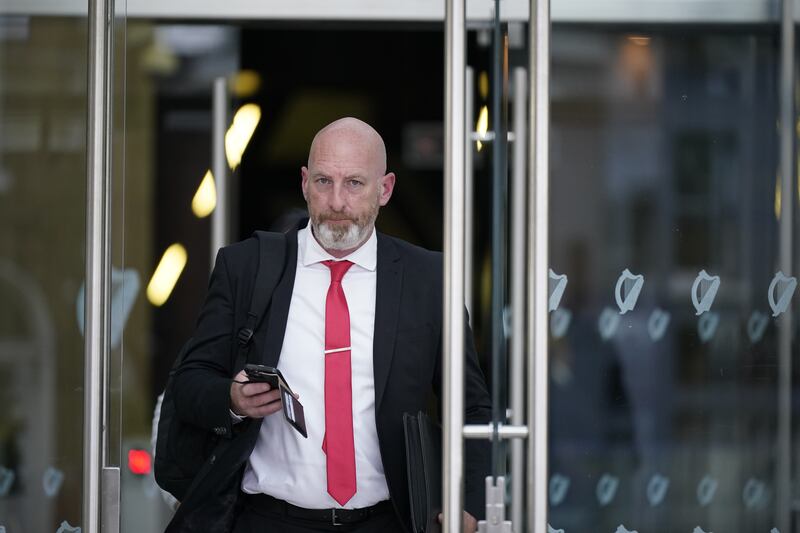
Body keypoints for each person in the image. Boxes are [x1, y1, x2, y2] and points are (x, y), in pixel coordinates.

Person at [167, 117, 491, 533]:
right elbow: (189, 383)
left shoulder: (429, 279)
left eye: (354, 183)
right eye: (324, 181)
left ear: (385, 189)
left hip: (386, 522)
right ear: (304, 183)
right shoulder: (246, 267)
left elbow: (472, 408)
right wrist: (232, 399)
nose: (337, 202)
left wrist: (470, 504)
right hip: (268, 520)